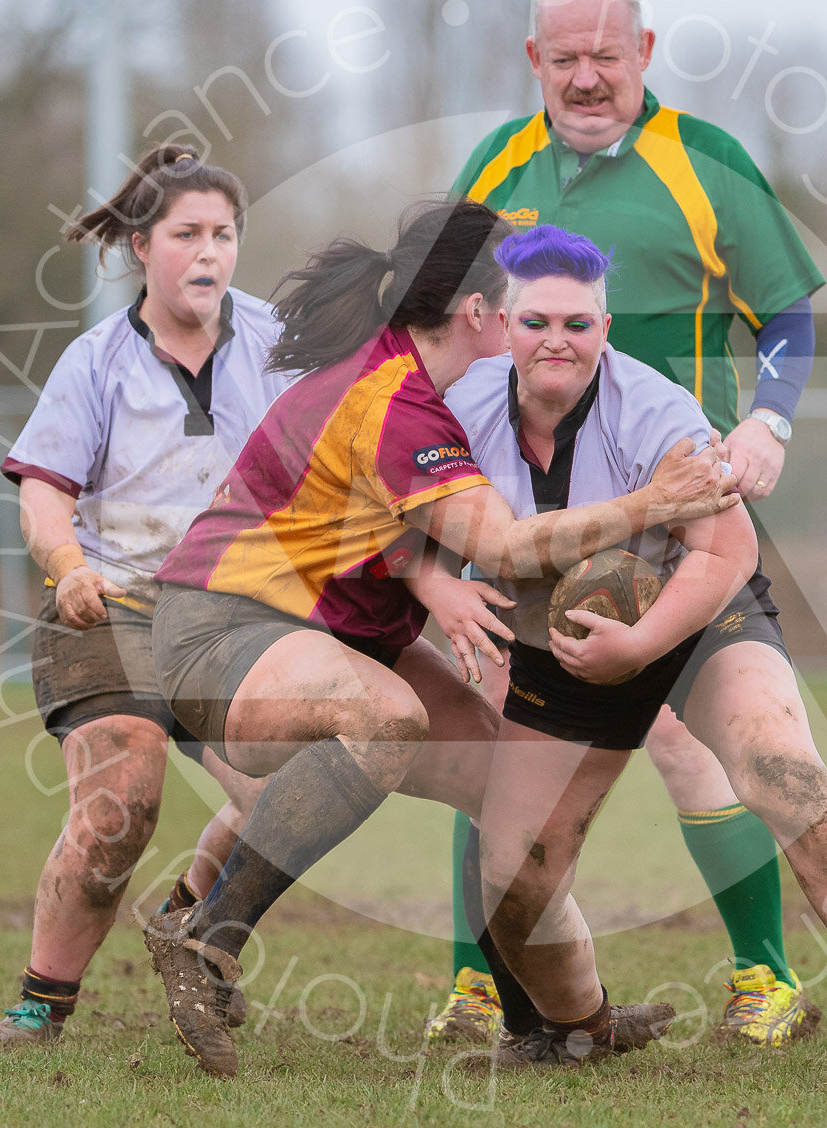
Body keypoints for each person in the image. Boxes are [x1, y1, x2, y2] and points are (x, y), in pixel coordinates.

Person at [140, 199, 739, 1078]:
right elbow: (500, 544)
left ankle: (567, 1022)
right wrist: (654, 505)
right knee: (386, 720)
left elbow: (403, 530)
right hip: (223, 630)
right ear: (476, 313)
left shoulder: (415, 386)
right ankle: (206, 943)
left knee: (505, 798)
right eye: (515, 302)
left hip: (323, 637)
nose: (529, 318)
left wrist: (431, 589)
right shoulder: (396, 401)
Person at [436, 223, 827, 1070]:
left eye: (579, 323)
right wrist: (439, 586)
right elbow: (397, 519)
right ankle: (577, 1030)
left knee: (779, 763)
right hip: (564, 644)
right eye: (537, 321)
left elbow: (730, 550)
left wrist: (643, 642)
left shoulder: (654, 409)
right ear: (503, 326)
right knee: (514, 871)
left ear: (605, 331)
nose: (557, 341)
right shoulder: (456, 405)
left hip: (696, 610)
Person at [428, 0, 824, 1049]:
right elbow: (440, 324)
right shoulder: (495, 166)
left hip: (674, 512)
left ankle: (766, 975)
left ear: (643, 53)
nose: (588, 76)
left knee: (695, 743)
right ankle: (480, 980)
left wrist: (768, 422)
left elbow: (788, 318)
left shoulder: (706, 163)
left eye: (608, 55)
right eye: (567, 58)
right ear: (535, 63)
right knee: (495, 734)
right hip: (524, 515)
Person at [0, 145, 292, 1044]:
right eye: (186, 233)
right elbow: (45, 490)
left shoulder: (282, 344)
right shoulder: (97, 362)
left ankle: (190, 929)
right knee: (125, 796)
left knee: (302, 789)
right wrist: (65, 564)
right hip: (110, 606)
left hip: (233, 616)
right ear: (137, 247)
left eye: (224, 234)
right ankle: (42, 1001)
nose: (209, 252)